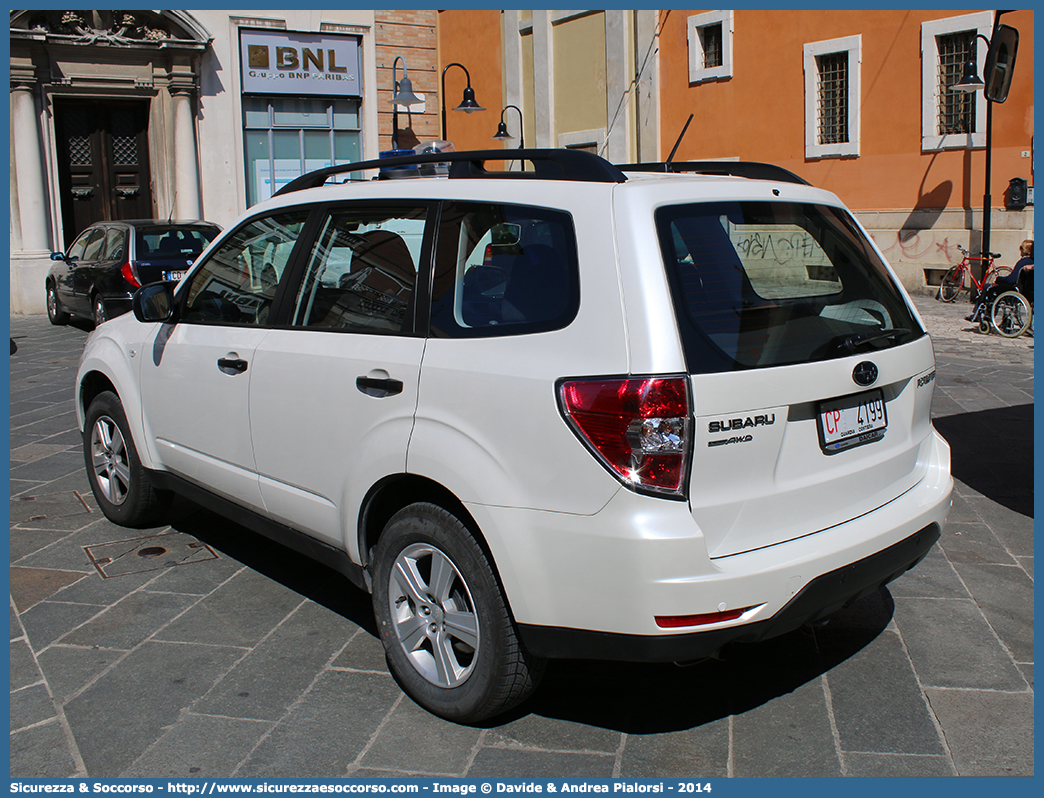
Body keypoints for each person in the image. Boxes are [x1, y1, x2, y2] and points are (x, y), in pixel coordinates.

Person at [967, 239, 1033, 322]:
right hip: (1027, 291)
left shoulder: (1023, 262)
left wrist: (998, 279)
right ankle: (988, 313)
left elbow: (1011, 280)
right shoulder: (1032, 262)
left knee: (987, 287)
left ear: (1024, 250)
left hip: (1015, 289)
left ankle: (981, 313)